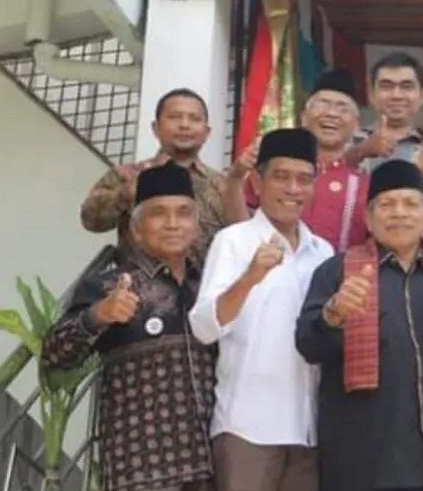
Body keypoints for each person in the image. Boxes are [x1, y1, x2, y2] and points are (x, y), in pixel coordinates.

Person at [296, 160, 423, 491]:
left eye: (410, 204)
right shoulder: (336, 272)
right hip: (359, 457)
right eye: (387, 204)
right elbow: (308, 346)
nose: (399, 213)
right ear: (368, 218)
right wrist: (333, 314)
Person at [45, 161, 216, 491]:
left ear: (196, 227)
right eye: (158, 213)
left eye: (183, 213)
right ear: (136, 229)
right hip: (140, 469)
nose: (172, 224)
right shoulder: (110, 284)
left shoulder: (210, 286)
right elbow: (55, 355)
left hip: (209, 466)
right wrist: (98, 315)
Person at [189, 128, 334, 491]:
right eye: (281, 177)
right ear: (257, 182)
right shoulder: (234, 241)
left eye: (304, 179)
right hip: (247, 428)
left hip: (307, 429)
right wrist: (250, 277)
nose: (293, 189)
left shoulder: (323, 252)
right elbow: (204, 327)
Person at [227, 69, 370, 252]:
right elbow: (240, 227)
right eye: (322, 104)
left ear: (356, 125)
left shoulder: (365, 185)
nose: (331, 114)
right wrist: (235, 177)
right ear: (303, 117)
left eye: (343, 108)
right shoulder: (274, 171)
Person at [81, 88, 229, 264]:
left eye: (194, 119)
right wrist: (125, 193)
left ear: (206, 132)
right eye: (174, 117)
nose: (184, 125)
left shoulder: (223, 185)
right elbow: (91, 221)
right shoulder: (127, 175)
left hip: (207, 281)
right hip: (140, 280)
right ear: (156, 128)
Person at [350, 52, 423, 188]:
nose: (396, 95)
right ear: (371, 95)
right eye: (386, 86)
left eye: (406, 87)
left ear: (422, 96)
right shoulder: (349, 143)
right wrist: (360, 152)